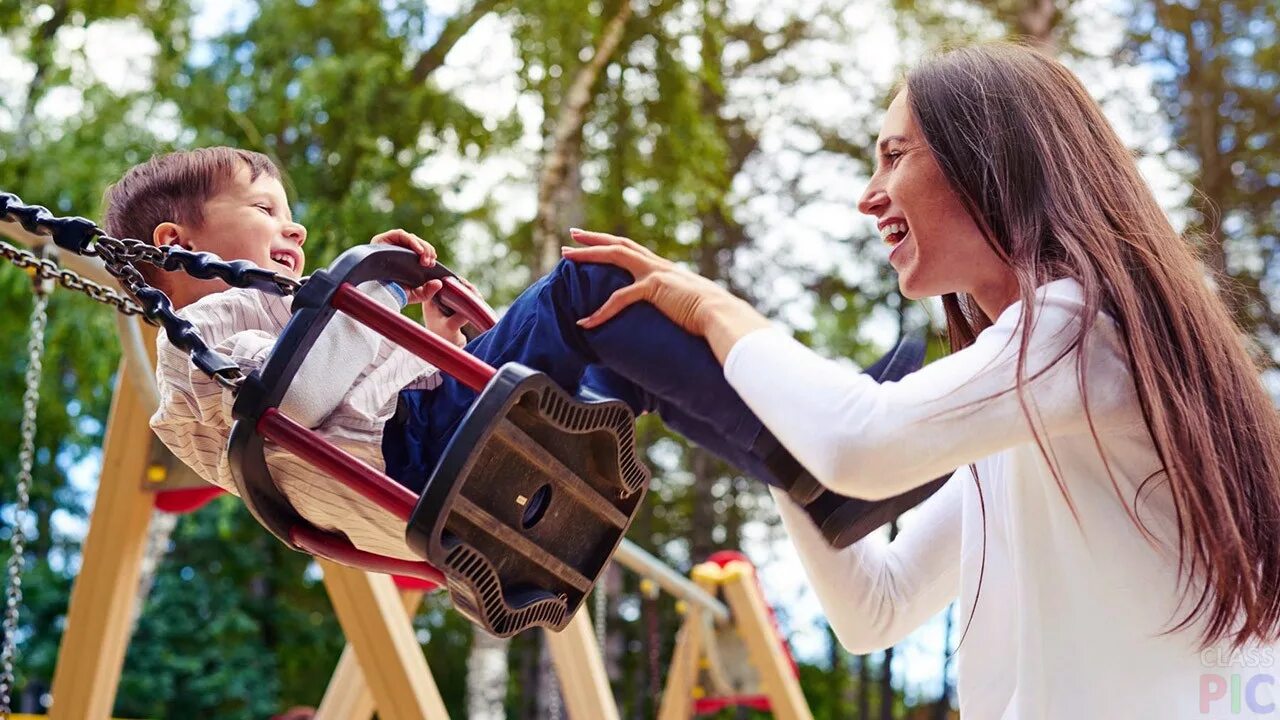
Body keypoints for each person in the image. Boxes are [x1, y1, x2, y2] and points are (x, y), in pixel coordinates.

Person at [562, 43, 1280, 718]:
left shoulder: (1086, 327)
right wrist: (769, 433)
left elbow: (861, 445)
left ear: (988, 161)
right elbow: (877, 606)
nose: (869, 195)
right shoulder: (1032, 415)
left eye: (894, 156)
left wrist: (715, 308)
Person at [103, 146, 925, 563]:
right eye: (264, 208)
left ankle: (812, 473)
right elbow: (296, 403)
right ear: (178, 243)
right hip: (421, 456)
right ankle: (821, 439)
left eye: (291, 212)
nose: (295, 229)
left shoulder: (277, 312)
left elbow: (359, 392)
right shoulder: (204, 330)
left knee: (624, 355)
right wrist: (374, 293)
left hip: (425, 451)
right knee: (590, 287)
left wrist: (439, 339)